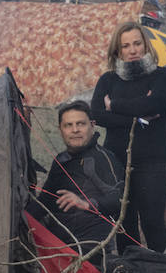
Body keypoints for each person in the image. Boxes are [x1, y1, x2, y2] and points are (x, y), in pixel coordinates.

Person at [90, 21, 166, 250]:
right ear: (118, 50)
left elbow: (156, 104)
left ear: (146, 45)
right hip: (116, 159)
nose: (133, 50)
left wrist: (114, 105)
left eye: (137, 43)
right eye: (126, 46)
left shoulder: (163, 77)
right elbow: (97, 115)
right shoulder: (108, 80)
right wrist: (139, 117)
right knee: (124, 224)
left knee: (152, 222)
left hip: (153, 160)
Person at [29, 100, 123, 259]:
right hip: (58, 246)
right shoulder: (62, 159)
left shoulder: (101, 158)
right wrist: (20, 219)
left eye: (81, 124)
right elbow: (45, 200)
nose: (75, 130)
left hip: (92, 251)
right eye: (68, 125)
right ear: (60, 129)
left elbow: (119, 199)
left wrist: (86, 204)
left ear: (92, 125)